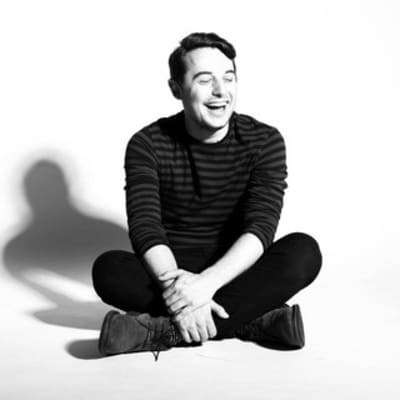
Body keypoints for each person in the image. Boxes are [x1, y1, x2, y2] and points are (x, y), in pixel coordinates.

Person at [92, 32, 322, 360]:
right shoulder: (146, 144)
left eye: (228, 78)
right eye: (204, 80)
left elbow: (260, 228)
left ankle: (162, 331)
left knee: (304, 252)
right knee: (109, 270)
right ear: (176, 89)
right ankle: (253, 320)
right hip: (173, 270)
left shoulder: (265, 141)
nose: (220, 91)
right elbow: (145, 227)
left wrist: (205, 286)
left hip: (235, 269)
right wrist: (182, 289)